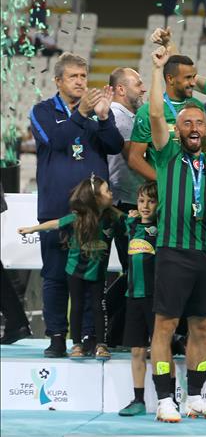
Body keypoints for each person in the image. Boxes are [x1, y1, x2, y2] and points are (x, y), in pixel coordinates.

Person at [146, 46, 206, 422]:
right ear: (177, 130)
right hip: (173, 251)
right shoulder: (166, 155)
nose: (194, 128)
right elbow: (155, 113)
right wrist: (157, 69)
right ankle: (164, 399)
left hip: (205, 253)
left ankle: (194, 397)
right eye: (187, 123)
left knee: (202, 326)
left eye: (199, 123)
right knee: (164, 325)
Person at [30, 53, 124, 358]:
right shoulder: (42, 111)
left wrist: (104, 118)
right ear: (58, 80)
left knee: (91, 279)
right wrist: (81, 115)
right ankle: (57, 336)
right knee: (55, 275)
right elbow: (57, 142)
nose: (81, 82)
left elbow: (115, 146)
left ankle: (88, 336)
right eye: (73, 76)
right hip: (56, 208)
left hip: (94, 214)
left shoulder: (95, 112)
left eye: (84, 76)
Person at [18, 176, 125, 361]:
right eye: (107, 191)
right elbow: (55, 223)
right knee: (77, 306)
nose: (111, 193)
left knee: (98, 307)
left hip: (98, 272)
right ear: (95, 198)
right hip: (75, 272)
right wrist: (32, 229)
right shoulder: (78, 218)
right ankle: (76, 344)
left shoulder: (112, 217)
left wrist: (137, 216)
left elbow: (130, 221)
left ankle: (101, 344)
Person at [118, 181, 175, 417]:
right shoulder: (131, 225)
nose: (145, 206)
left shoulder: (163, 229)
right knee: (137, 351)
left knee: (163, 349)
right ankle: (138, 399)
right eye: (141, 201)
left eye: (151, 201)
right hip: (133, 297)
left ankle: (170, 398)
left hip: (156, 298)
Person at [127, 54, 204, 182]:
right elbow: (135, 159)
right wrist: (164, 182)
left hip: (194, 184)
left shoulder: (199, 107)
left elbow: (203, 147)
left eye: (193, 77)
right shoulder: (147, 112)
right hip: (163, 189)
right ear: (170, 79)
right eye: (188, 78)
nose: (193, 83)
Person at [108, 68, 147, 213]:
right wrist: (162, 180)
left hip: (127, 197)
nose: (144, 89)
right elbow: (135, 159)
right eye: (138, 84)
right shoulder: (119, 117)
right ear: (121, 89)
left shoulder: (125, 115)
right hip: (125, 200)